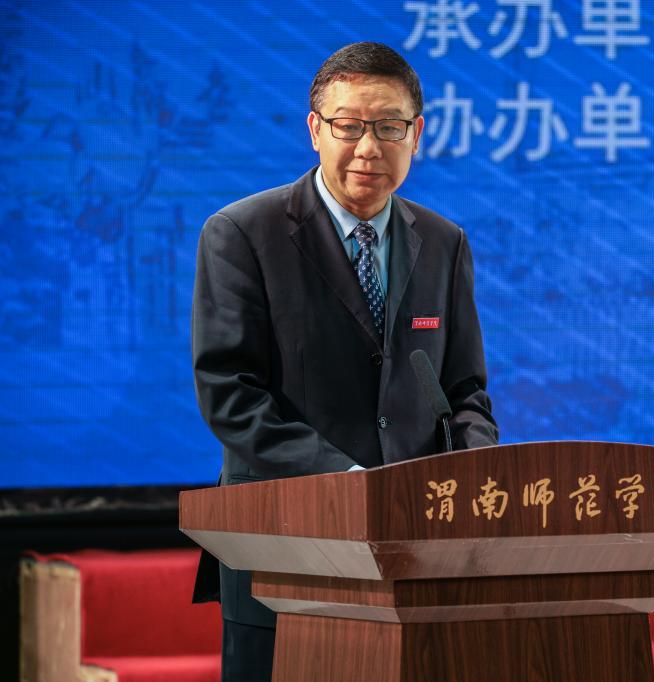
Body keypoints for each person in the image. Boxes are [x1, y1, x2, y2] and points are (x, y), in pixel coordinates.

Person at [190, 41, 498, 682]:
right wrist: (349, 482)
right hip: (285, 548)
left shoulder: (443, 242)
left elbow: (464, 390)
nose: (368, 148)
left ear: (416, 134)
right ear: (315, 130)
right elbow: (231, 393)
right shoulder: (243, 233)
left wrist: (474, 478)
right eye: (348, 126)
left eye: (389, 127)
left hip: (417, 551)